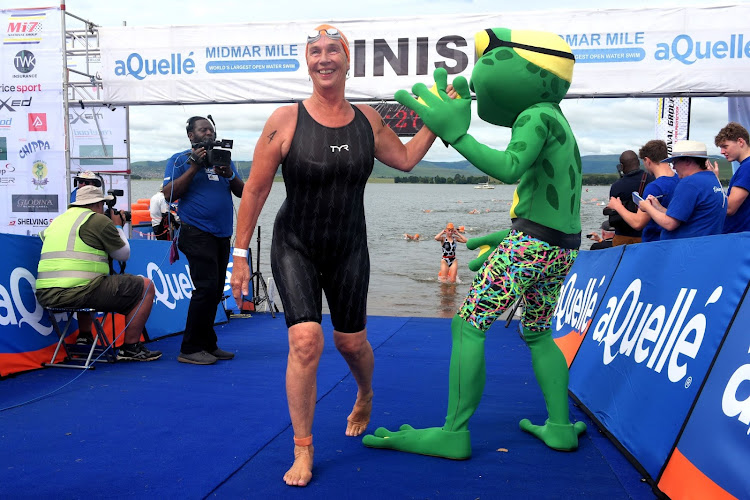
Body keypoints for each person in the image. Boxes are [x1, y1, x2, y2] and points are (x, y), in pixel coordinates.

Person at [229, 24, 438, 487]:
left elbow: (404, 160)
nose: (324, 58)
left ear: (347, 61)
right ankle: (303, 448)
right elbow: (257, 189)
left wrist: (438, 124)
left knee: (351, 344)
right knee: (306, 341)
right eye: (315, 51)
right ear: (308, 63)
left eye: (332, 51)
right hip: (295, 244)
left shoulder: (368, 119)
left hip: (348, 248)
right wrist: (239, 254)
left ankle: (364, 392)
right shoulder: (284, 120)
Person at [364, 27, 587, 459]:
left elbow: (508, 168)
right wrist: (502, 235)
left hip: (531, 248)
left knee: (468, 325)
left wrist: (457, 134)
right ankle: (560, 426)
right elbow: (555, 209)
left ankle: (453, 432)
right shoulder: (559, 121)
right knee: (539, 333)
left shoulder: (535, 115)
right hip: (560, 249)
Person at [35, 185, 160, 361]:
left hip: (46, 295)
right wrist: (117, 227)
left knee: (88, 281)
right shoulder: (98, 221)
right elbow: (123, 255)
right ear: (98, 204)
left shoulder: (58, 220)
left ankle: (84, 335)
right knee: (145, 286)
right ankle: (131, 348)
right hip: (78, 293)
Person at [163, 116, 245, 365]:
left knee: (215, 291)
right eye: (203, 129)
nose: (209, 133)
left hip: (221, 234)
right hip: (196, 232)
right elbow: (169, 194)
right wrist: (194, 167)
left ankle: (208, 344)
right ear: (191, 135)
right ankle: (189, 348)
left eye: (211, 129)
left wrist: (229, 173)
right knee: (206, 288)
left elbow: (243, 192)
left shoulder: (222, 158)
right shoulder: (179, 160)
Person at [639, 140, 726, 240]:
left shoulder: (689, 183)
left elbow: (670, 223)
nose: (674, 167)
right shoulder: (713, 179)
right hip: (705, 246)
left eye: (675, 162)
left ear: (688, 161)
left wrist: (647, 207)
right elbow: (681, 216)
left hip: (685, 250)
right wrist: (657, 207)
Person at [605, 140, 678, 242]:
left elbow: (638, 223)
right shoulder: (680, 180)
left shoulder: (654, 187)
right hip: (674, 241)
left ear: (647, 160)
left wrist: (617, 206)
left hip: (654, 244)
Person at [606, 150, 655, 245]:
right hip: (647, 237)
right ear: (638, 162)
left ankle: (569, 260)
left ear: (622, 166)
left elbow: (612, 210)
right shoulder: (652, 179)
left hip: (622, 236)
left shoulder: (616, 186)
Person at [710, 122, 750, 233]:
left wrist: (712, 183)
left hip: (740, 238)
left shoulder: (747, 168)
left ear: (740, 142)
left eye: (725, 146)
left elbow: (729, 208)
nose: (722, 152)